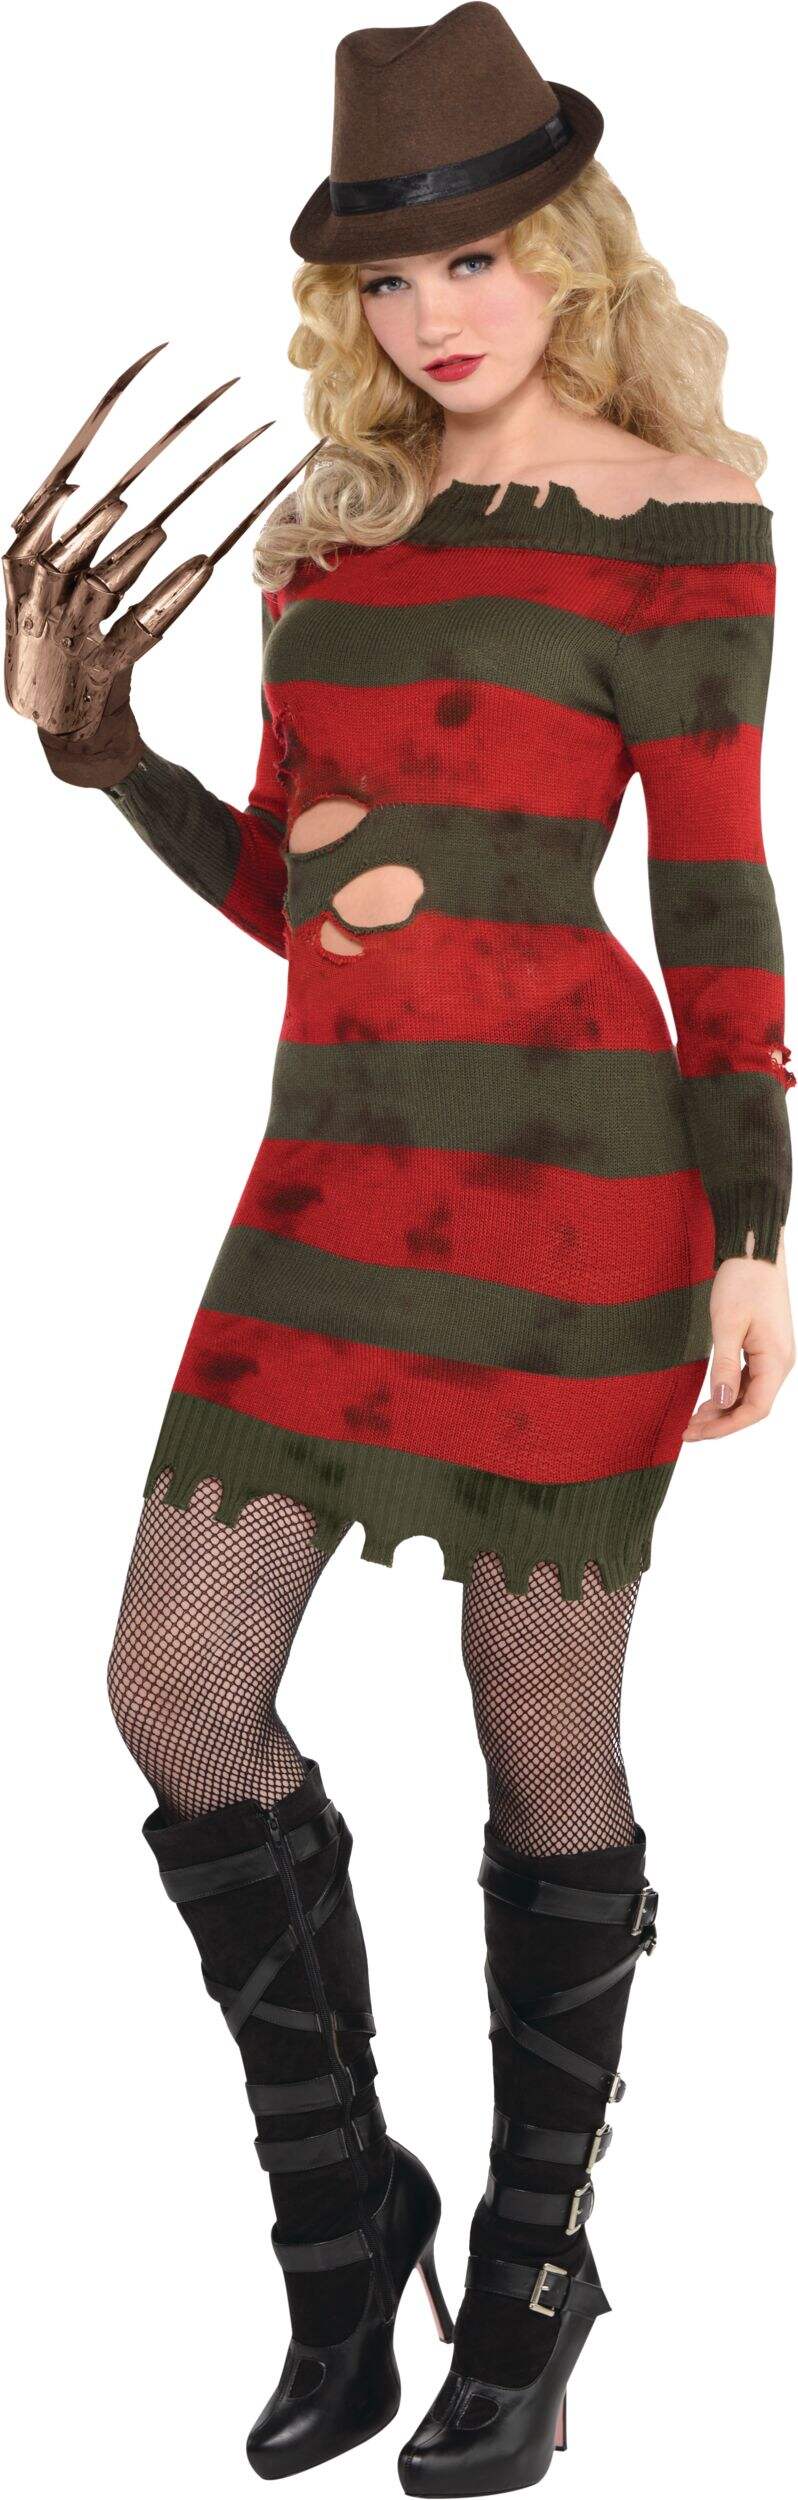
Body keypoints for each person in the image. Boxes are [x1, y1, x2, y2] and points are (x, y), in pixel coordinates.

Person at [5, 6, 795, 2492]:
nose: (436, 311)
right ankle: (352, 2228)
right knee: (171, 1682)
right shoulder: (325, 543)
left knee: (537, 1734)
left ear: (570, 249)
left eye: (478, 254)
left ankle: (536, 2275)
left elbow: (716, 896)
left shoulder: (688, 521)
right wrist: (107, 755)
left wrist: (759, 1226)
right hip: (327, 1187)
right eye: (389, 274)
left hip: (582, 1197)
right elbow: (306, 899)